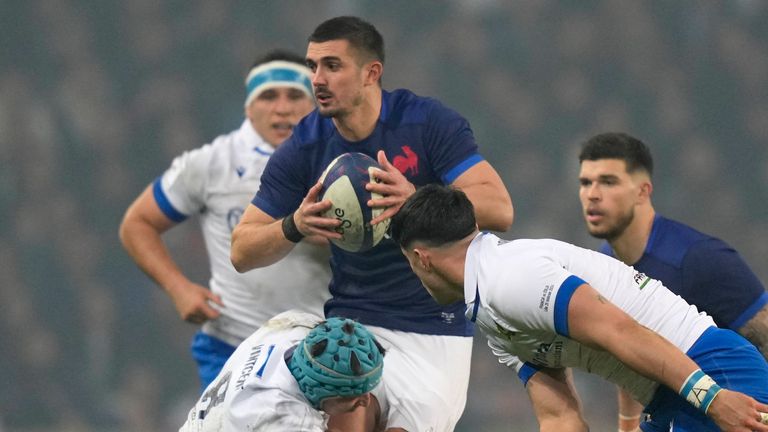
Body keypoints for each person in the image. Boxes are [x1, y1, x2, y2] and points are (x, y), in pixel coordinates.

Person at [230, 16, 513, 432]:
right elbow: (241, 251)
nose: (318, 79)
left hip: (436, 331)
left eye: (332, 65)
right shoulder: (306, 144)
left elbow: (500, 208)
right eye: (312, 67)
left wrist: (416, 199)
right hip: (351, 325)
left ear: (371, 73)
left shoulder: (425, 123)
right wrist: (294, 225)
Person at [390, 184, 768, 432]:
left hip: (713, 374)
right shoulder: (490, 310)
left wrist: (713, 397)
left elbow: (621, 330)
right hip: (671, 399)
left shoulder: (512, 279)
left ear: (422, 259)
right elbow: (559, 416)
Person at [119, 50, 331, 391]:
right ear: (248, 107)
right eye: (268, 96)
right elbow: (137, 224)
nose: (282, 107)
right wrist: (178, 288)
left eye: (295, 95)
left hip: (319, 349)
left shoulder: (342, 164)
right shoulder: (210, 164)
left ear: (314, 104)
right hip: (233, 346)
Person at [577, 132, 768, 431]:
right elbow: (631, 346)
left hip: (731, 406)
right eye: (586, 183)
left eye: (608, 182)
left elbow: (764, 330)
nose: (593, 194)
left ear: (642, 192)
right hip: (674, 407)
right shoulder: (604, 263)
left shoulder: (698, 258)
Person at [179, 310, 386, 432]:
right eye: (354, 396)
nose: (365, 400)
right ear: (322, 392)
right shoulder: (283, 419)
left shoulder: (292, 326)